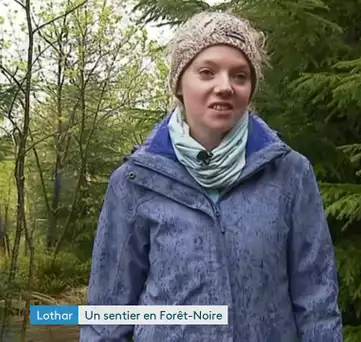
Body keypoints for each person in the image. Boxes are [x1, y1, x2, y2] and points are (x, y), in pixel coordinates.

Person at [80, 10, 343, 342]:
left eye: (240, 76)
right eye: (206, 72)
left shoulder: (291, 174)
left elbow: (317, 300)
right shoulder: (135, 180)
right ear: (180, 83)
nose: (225, 87)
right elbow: (107, 314)